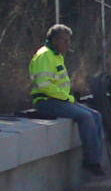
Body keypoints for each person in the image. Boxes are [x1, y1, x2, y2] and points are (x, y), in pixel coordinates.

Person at [29, 24, 106, 176]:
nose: (68, 44)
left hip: (60, 100)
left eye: (69, 41)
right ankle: (91, 162)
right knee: (86, 117)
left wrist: (67, 98)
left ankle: (96, 159)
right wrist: (66, 98)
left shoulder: (56, 56)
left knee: (96, 115)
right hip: (47, 101)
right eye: (65, 41)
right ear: (55, 40)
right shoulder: (45, 56)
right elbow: (44, 86)